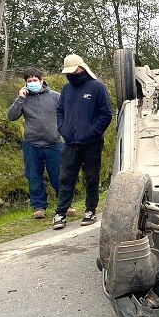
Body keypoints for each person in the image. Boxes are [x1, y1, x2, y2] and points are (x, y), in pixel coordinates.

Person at [52, 55, 113, 230]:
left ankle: (90, 210)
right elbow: (60, 111)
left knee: (92, 177)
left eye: (73, 71)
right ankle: (60, 213)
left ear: (82, 68)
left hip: (92, 142)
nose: (71, 75)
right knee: (66, 178)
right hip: (71, 141)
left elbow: (106, 113)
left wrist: (93, 131)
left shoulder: (97, 87)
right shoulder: (66, 89)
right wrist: (63, 129)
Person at [7, 67, 75, 219]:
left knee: (59, 175)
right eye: (29, 81)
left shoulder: (55, 96)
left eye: (34, 80)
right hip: (32, 144)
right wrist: (20, 99)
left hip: (54, 143)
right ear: (25, 84)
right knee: (34, 176)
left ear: (41, 80)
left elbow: (68, 113)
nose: (32, 83)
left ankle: (67, 204)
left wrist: (64, 132)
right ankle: (39, 207)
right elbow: (11, 116)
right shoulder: (23, 99)